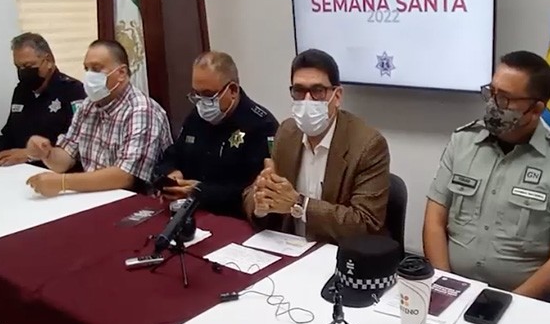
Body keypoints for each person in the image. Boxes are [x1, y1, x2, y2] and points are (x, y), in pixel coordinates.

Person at [423, 51, 550, 298]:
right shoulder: (463, 142)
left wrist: (510, 301)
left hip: (522, 301)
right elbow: (434, 220)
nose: (492, 104)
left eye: (504, 98)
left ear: (535, 109)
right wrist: (445, 284)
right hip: (453, 288)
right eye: (491, 92)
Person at [243, 49, 390, 242]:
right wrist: (261, 202)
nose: (307, 100)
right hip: (291, 247)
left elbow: (365, 223)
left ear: (337, 96)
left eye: (318, 91)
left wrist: (299, 205)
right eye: (299, 91)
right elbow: (252, 194)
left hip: (337, 252)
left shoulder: (368, 145)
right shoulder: (287, 133)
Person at [25, 39, 172, 196]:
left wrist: (63, 182)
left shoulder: (141, 110)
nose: (89, 75)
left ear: (121, 73)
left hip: (134, 201)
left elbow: (125, 177)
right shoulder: (88, 106)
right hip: (94, 196)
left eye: (96, 69)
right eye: (86, 69)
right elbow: (66, 159)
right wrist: (46, 153)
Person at [153, 51, 278, 218]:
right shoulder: (196, 117)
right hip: (188, 212)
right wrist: (171, 173)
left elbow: (255, 191)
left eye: (208, 94)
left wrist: (201, 192)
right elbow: (173, 155)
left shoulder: (261, 125)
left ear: (233, 90)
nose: (201, 102)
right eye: (196, 94)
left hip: (234, 219)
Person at [0, 33, 85, 168]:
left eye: (28, 66)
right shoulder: (21, 91)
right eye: (18, 67)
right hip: (18, 171)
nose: (23, 72)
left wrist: (30, 154)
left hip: (57, 172)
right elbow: (10, 136)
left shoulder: (73, 91)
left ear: (48, 60)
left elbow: (77, 145)